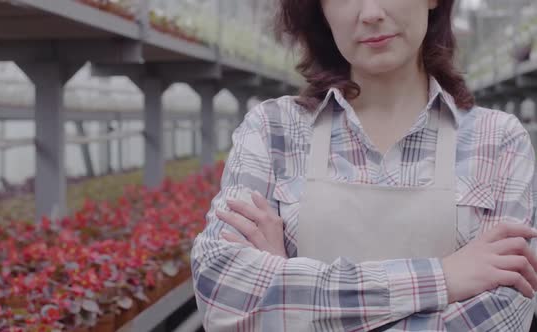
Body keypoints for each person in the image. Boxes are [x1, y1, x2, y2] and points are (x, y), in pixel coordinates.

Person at [190, 0, 537, 330]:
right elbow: (224, 296)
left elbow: (504, 316)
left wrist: (288, 288)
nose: (370, 12)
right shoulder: (273, 130)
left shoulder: (498, 141)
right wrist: (442, 279)